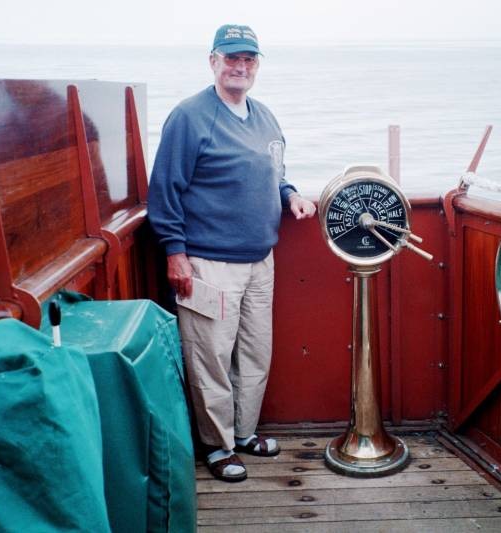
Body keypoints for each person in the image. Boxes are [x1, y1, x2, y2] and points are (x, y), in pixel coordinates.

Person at [147, 23, 316, 483]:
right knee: (211, 359)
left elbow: (275, 173)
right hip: (208, 262)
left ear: (256, 65)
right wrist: (175, 253)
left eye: (248, 59)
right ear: (213, 62)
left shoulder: (264, 116)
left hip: (261, 259)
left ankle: (243, 433)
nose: (240, 67)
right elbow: (164, 190)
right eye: (231, 58)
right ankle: (217, 446)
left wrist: (291, 196)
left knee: (255, 354)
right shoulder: (189, 116)